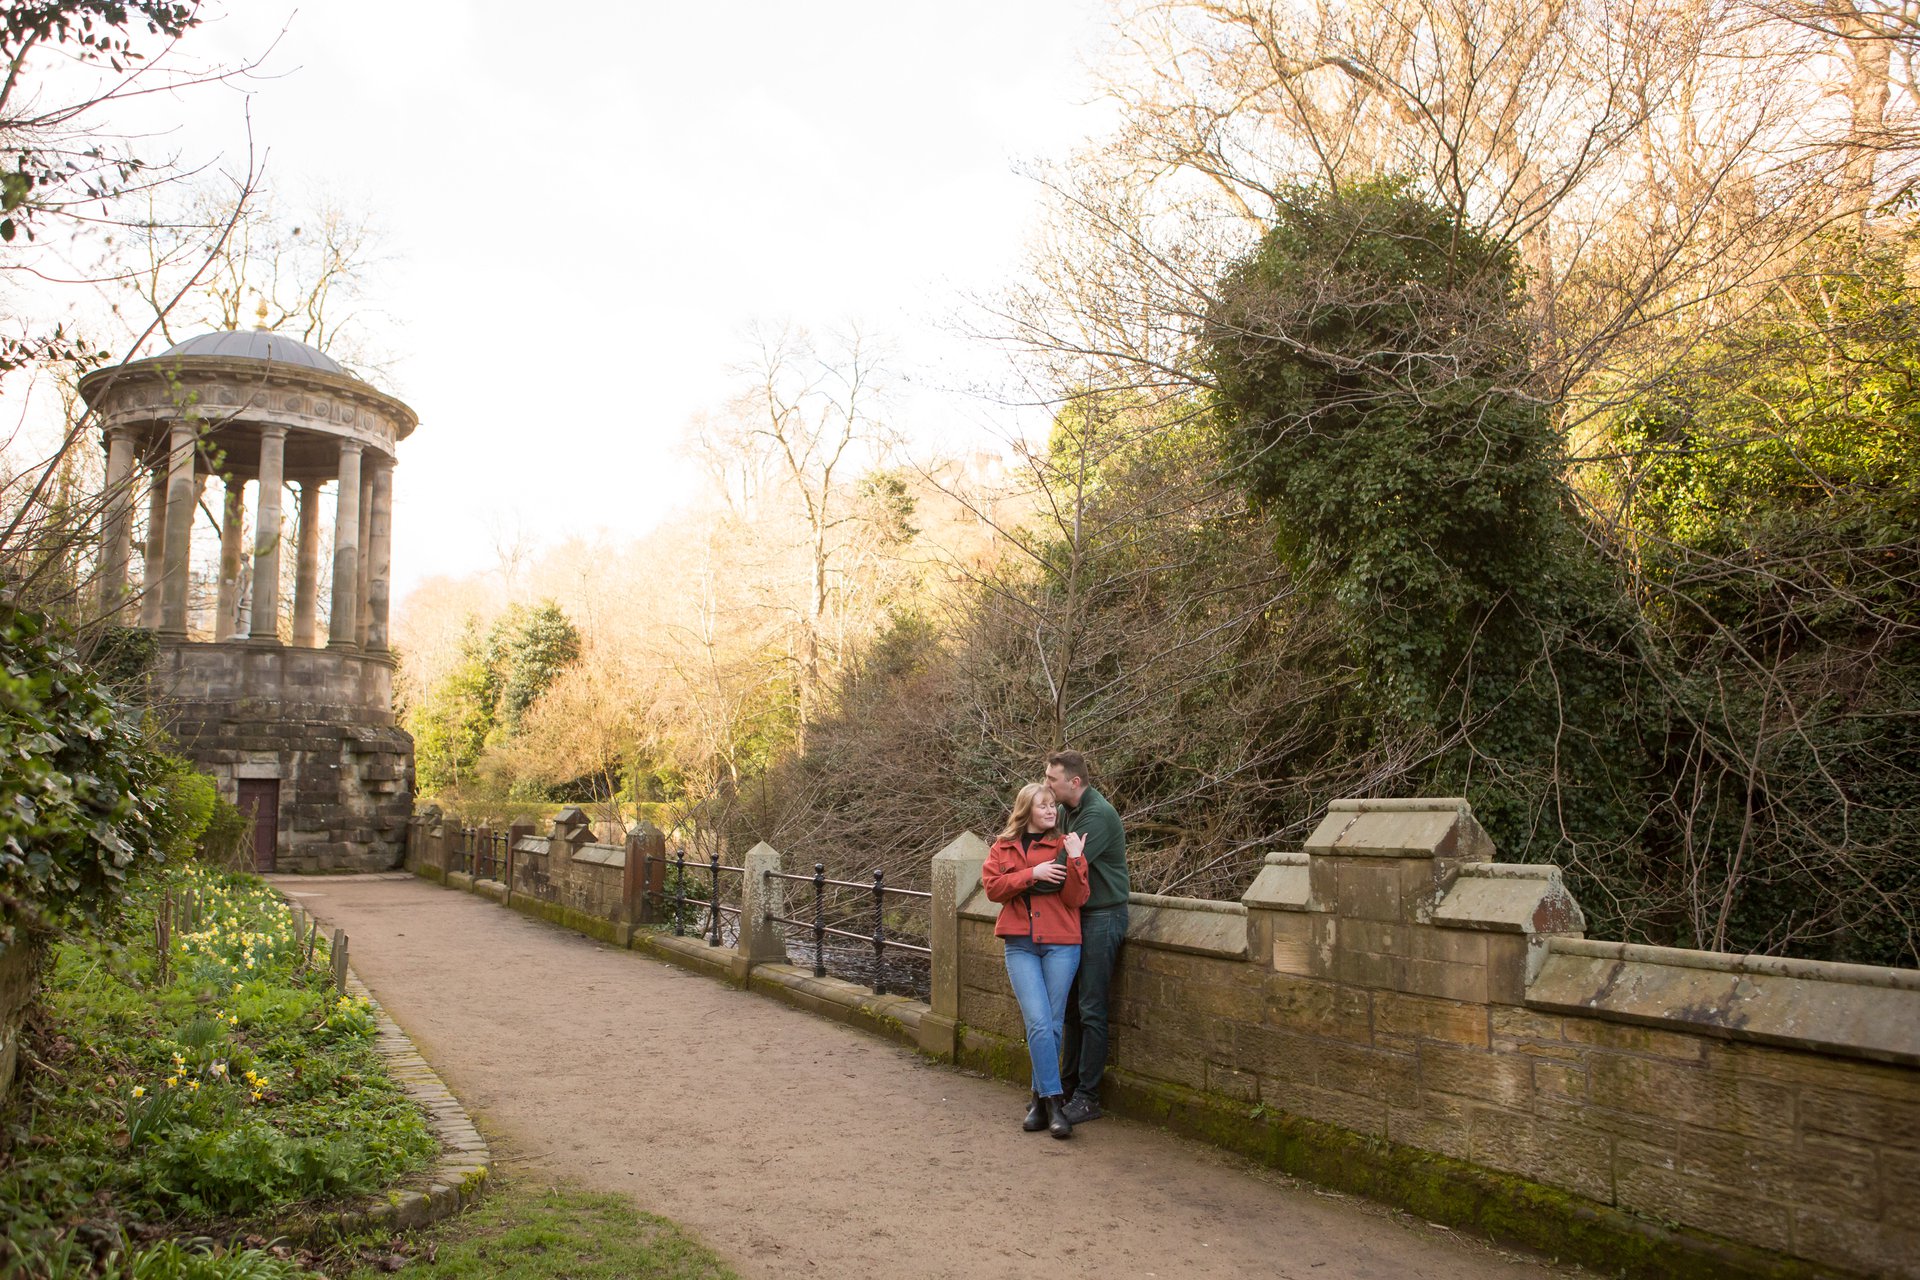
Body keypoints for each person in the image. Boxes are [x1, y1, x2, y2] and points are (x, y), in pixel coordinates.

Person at [980, 780, 1090, 1139]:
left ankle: (1038, 1101)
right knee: (1040, 1022)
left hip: (1062, 943)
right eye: (1043, 805)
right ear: (1026, 809)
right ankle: (1055, 1102)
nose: (1050, 810)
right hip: (1020, 944)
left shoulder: (1064, 844)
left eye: (1052, 805)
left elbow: (1076, 898)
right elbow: (993, 889)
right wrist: (1033, 874)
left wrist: (1076, 858)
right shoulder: (1003, 847)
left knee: (1052, 1025)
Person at [1044, 750, 1128, 1125]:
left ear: (1074, 782)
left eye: (1052, 779)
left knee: (1092, 1006)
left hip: (1104, 916)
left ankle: (1088, 1097)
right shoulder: (1067, 811)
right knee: (1072, 1007)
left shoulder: (1097, 815)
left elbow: (1061, 871)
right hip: (1079, 915)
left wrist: (1021, 880)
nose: (1047, 784)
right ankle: (1066, 1085)